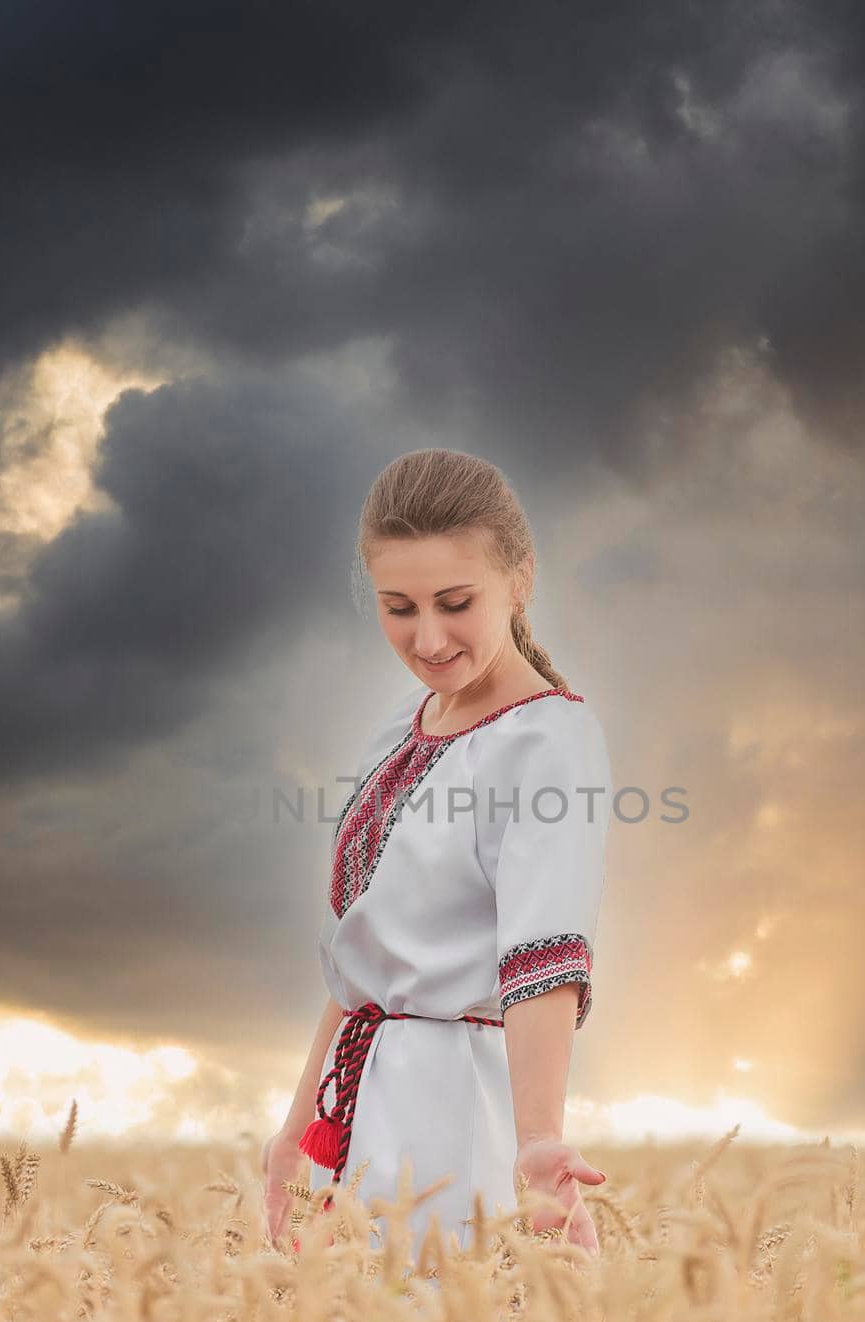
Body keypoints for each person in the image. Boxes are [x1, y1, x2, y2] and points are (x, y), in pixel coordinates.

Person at [262, 447, 611, 1261]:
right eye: (398, 607)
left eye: (456, 602)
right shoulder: (402, 725)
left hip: (451, 1117)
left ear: (519, 578)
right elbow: (358, 965)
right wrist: (294, 1130)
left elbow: (543, 962)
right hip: (350, 1114)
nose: (427, 637)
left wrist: (536, 1143)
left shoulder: (549, 739)